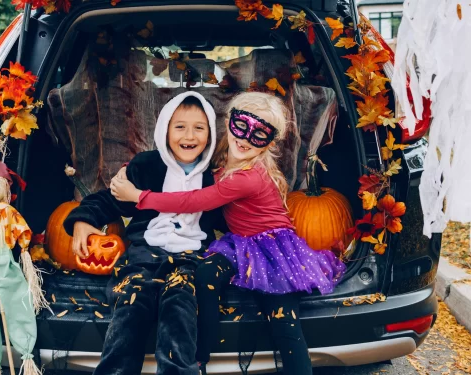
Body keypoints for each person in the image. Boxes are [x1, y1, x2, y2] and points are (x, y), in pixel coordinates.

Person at [110, 92, 347, 375]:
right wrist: (133, 170)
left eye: (259, 134)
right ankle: (201, 355)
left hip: (272, 248)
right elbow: (176, 163)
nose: (245, 139)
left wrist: (139, 195)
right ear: (229, 123)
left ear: (269, 142)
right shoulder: (224, 154)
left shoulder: (248, 178)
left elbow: (193, 201)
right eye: (241, 126)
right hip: (240, 243)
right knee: (206, 274)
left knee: (283, 319)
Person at [63, 92, 223, 375]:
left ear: (210, 134)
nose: (189, 135)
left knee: (180, 306)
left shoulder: (216, 176)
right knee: (132, 302)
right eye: (180, 126)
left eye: (199, 127)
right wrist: (83, 219)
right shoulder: (147, 165)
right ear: (164, 128)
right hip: (143, 251)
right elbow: (111, 198)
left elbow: (235, 215)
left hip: (190, 256)